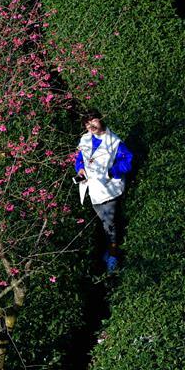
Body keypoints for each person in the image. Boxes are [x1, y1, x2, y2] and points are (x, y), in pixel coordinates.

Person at [74, 110, 133, 272]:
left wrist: (111, 172)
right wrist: (80, 169)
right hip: (92, 189)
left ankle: (113, 255)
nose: (90, 125)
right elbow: (79, 159)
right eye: (86, 123)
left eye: (93, 120)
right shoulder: (85, 139)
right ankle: (109, 248)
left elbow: (127, 162)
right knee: (104, 223)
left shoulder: (114, 142)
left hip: (108, 190)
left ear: (100, 119)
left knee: (110, 224)